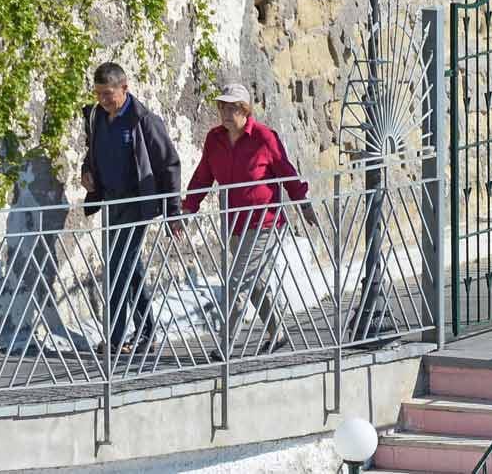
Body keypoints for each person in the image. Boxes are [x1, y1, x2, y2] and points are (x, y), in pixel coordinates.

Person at [182, 84, 317, 358]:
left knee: (238, 283)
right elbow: (203, 176)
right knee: (255, 284)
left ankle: (225, 347)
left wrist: (303, 204)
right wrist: (187, 209)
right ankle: (277, 332)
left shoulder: (265, 138)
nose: (226, 113)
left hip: (264, 223)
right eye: (222, 107)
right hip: (235, 224)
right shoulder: (214, 139)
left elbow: (287, 173)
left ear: (245, 111)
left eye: (232, 108)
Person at [81, 62, 182, 355]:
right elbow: (92, 152)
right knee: (127, 267)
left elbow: (169, 164)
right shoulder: (97, 117)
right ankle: (145, 333)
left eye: (108, 93)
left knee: (117, 268)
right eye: (98, 93)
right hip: (111, 202)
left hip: (137, 204)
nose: (102, 100)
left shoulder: (144, 120)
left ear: (125, 88)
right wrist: (87, 172)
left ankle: (117, 337)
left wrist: (173, 211)